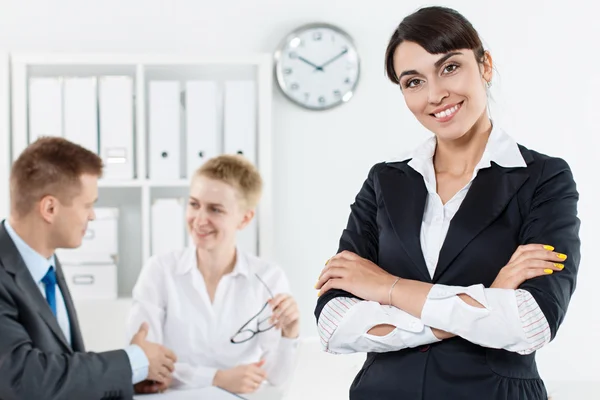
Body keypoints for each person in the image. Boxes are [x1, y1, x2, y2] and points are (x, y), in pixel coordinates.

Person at [314, 6, 580, 400]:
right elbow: (335, 324)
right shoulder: (385, 182)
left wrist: (387, 287)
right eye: (414, 81)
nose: (435, 94)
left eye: (450, 67)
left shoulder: (543, 178)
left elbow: (531, 322)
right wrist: (486, 297)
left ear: (484, 65)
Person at [0, 137, 178, 399]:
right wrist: (132, 362)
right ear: (50, 208)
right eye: (87, 205)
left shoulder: (45, 261)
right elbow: (22, 378)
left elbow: (60, 372)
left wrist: (127, 380)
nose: (93, 215)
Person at [127, 154, 300, 395]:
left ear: (245, 218)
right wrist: (217, 378)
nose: (199, 219)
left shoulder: (268, 277)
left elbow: (275, 377)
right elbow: (144, 361)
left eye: (215, 210)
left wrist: (289, 335)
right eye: (194, 204)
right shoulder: (160, 270)